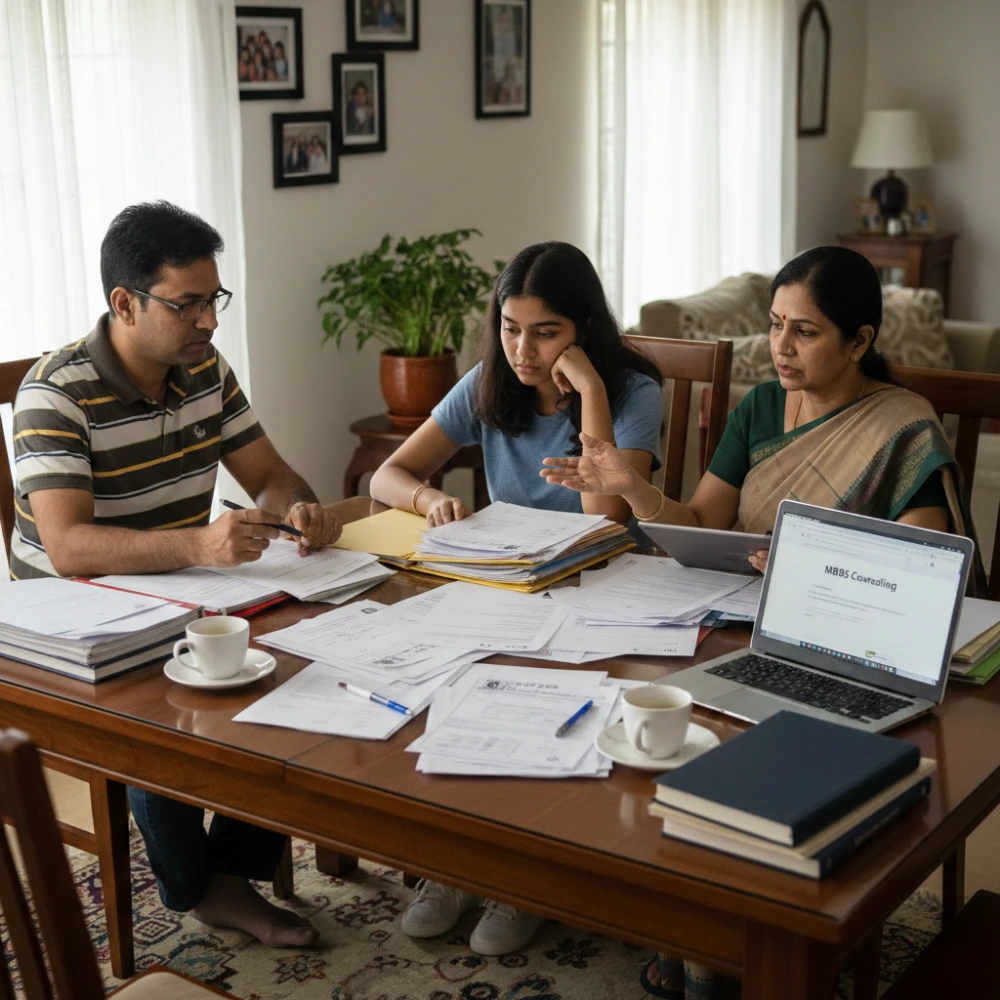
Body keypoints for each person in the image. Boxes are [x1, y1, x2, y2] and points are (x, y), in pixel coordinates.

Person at [541, 245, 985, 994]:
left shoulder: (904, 428)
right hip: (743, 629)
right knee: (662, 726)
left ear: (861, 340)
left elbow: (922, 572)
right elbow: (703, 524)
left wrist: (812, 567)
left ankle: (735, 947)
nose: (780, 346)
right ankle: (695, 927)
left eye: (804, 331)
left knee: (745, 760)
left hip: (851, 654)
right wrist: (633, 490)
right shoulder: (757, 408)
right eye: (775, 325)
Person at [11, 201, 343, 947]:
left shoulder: (204, 371)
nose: (208, 323)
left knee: (303, 665)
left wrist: (296, 510)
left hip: (180, 594)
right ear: (124, 303)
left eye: (213, 300)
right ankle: (200, 887)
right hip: (74, 620)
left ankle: (227, 873)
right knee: (173, 703)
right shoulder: (52, 394)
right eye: (187, 304)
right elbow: (67, 549)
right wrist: (200, 546)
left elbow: (270, 474)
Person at [369, 240, 663, 955]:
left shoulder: (633, 393)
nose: (522, 349)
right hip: (509, 583)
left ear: (583, 329)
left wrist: (590, 391)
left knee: (532, 693)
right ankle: (458, 865)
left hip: (604, 590)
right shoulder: (487, 385)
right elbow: (388, 475)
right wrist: (430, 496)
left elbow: (604, 517)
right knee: (436, 672)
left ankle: (521, 879)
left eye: (544, 331)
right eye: (509, 328)